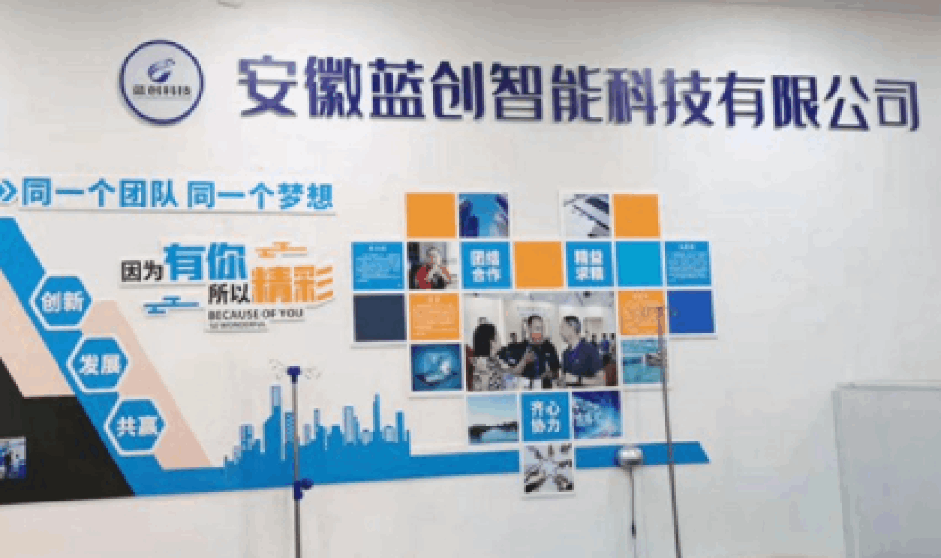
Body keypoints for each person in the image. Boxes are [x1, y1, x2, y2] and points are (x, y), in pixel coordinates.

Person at [501, 316, 560, 390]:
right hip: (526, 390)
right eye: (537, 329)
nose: (540, 332)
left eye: (542, 328)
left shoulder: (549, 347)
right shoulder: (519, 347)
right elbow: (512, 373)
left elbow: (556, 372)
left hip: (546, 390)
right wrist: (524, 361)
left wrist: (549, 374)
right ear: (528, 329)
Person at [471, 323, 528, 391]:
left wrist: (524, 361)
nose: (500, 339)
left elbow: (510, 371)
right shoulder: (483, 364)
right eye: (498, 336)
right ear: (492, 342)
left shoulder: (494, 359)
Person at [559, 316, 604, 387]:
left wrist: (577, 380)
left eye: (562, 327)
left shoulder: (590, 350)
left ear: (572, 328)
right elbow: (565, 378)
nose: (560, 332)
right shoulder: (565, 353)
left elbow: (601, 381)